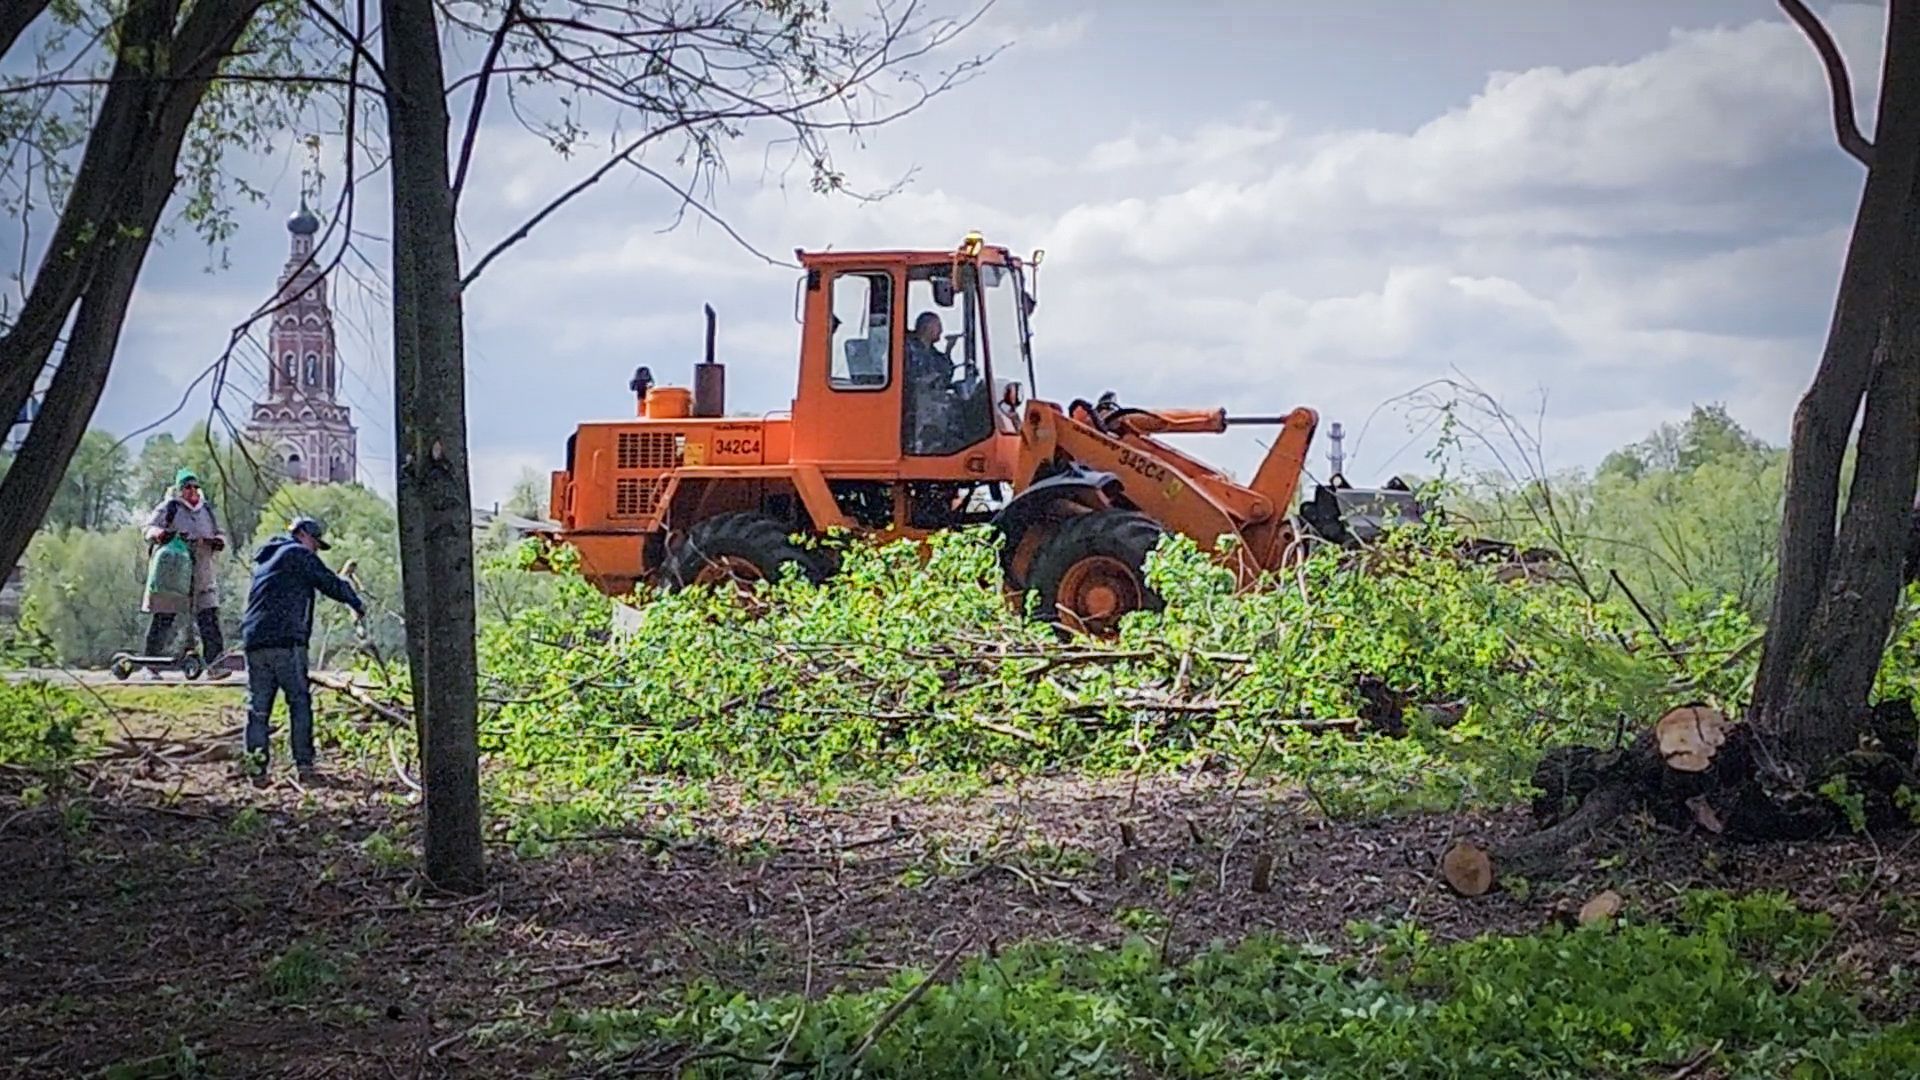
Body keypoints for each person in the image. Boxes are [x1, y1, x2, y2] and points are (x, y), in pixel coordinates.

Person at [239, 517, 364, 782]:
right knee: (299, 702)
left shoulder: (267, 558)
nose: (316, 549)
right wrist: (355, 601)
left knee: (258, 707)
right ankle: (304, 767)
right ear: (304, 535)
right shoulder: (297, 553)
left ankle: (255, 769)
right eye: (316, 543)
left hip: (255, 641)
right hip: (286, 641)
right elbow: (328, 581)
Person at [140, 468, 229, 678]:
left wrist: (216, 541)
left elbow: (220, 533)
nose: (192, 491)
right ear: (180, 489)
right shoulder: (170, 507)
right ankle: (150, 665)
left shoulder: (206, 510)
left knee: (209, 617)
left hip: (202, 572)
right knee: (164, 617)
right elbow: (148, 529)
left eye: (195, 487)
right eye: (187, 487)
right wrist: (160, 534)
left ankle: (215, 665)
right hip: (174, 572)